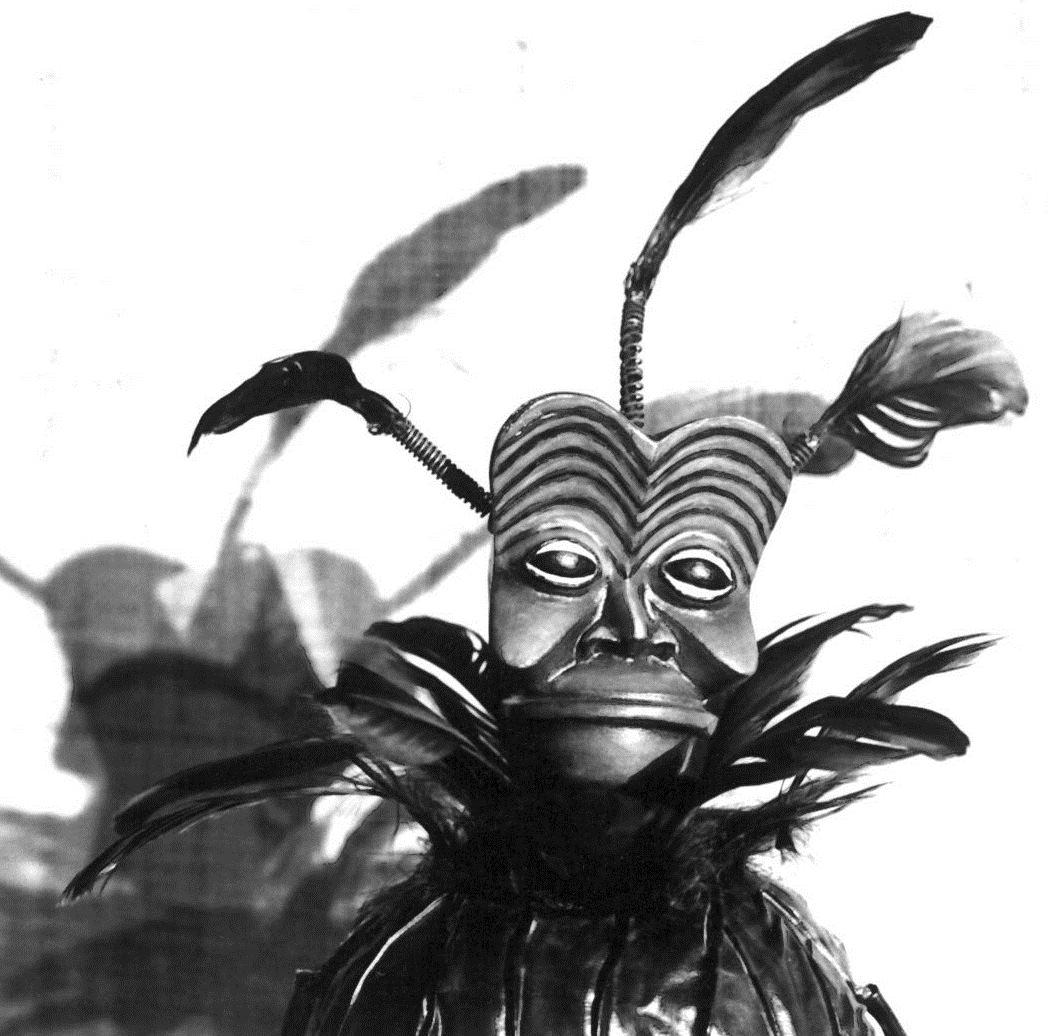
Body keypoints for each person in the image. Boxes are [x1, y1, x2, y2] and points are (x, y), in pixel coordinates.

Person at [67, 13, 1026, 1035]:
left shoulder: (765, 960)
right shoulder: (413, 956)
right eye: (564, 566)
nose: (630, 629)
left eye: (697, 579)